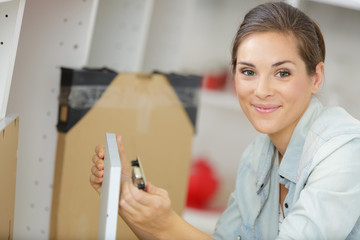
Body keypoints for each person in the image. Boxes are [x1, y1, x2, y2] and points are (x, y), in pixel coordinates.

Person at [90, 2, 360, 239]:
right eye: (248, 71)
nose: (262, 90)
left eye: (282, 73)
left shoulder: (344, 152)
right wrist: (129, 201)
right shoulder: (257, 158)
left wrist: (166, 223)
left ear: (316, 77)